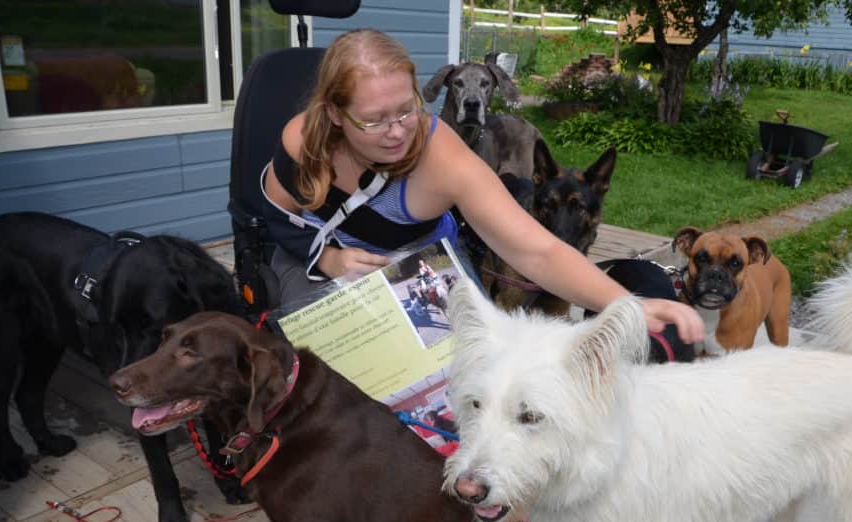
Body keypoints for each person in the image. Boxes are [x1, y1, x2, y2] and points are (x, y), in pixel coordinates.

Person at [260, 28, 703, 343]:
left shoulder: (443, 155)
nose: (397, 132)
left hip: (421, 268)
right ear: (335, 114)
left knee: (471, 365)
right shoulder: (303, 140)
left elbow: (536, 249)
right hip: (317, 260)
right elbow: (275, 222)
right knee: (315, 361)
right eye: (374, 120)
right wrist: (331, 259)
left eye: (406, 110)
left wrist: (627, 304)